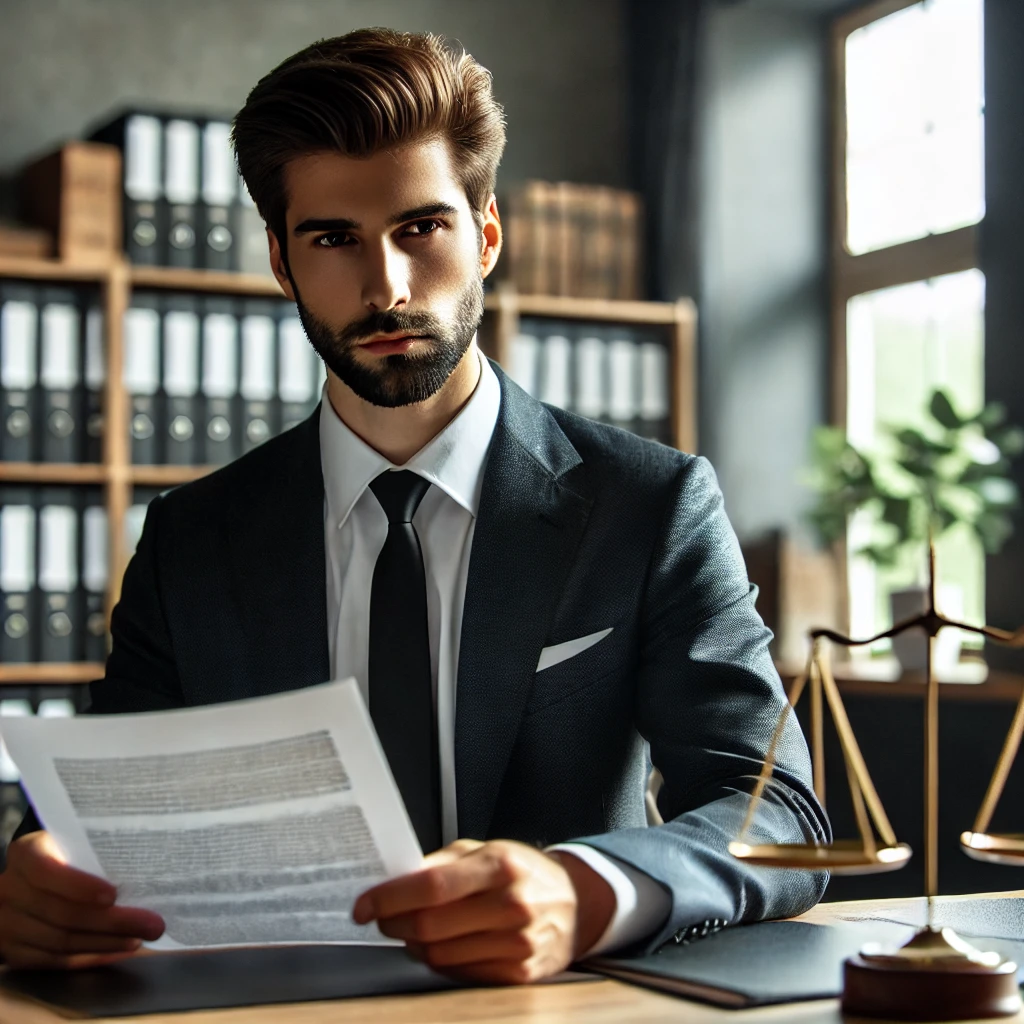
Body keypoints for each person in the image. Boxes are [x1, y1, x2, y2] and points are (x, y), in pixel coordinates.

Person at [0, 28, 829, 983]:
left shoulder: (651, 503)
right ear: (281, 261)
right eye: (333, 239)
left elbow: (779, 812)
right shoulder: (194, 539)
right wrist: (38, 879)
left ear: (484, 235)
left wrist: (585, 890)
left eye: (419, 229)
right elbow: (88, 816)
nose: (385, 286)